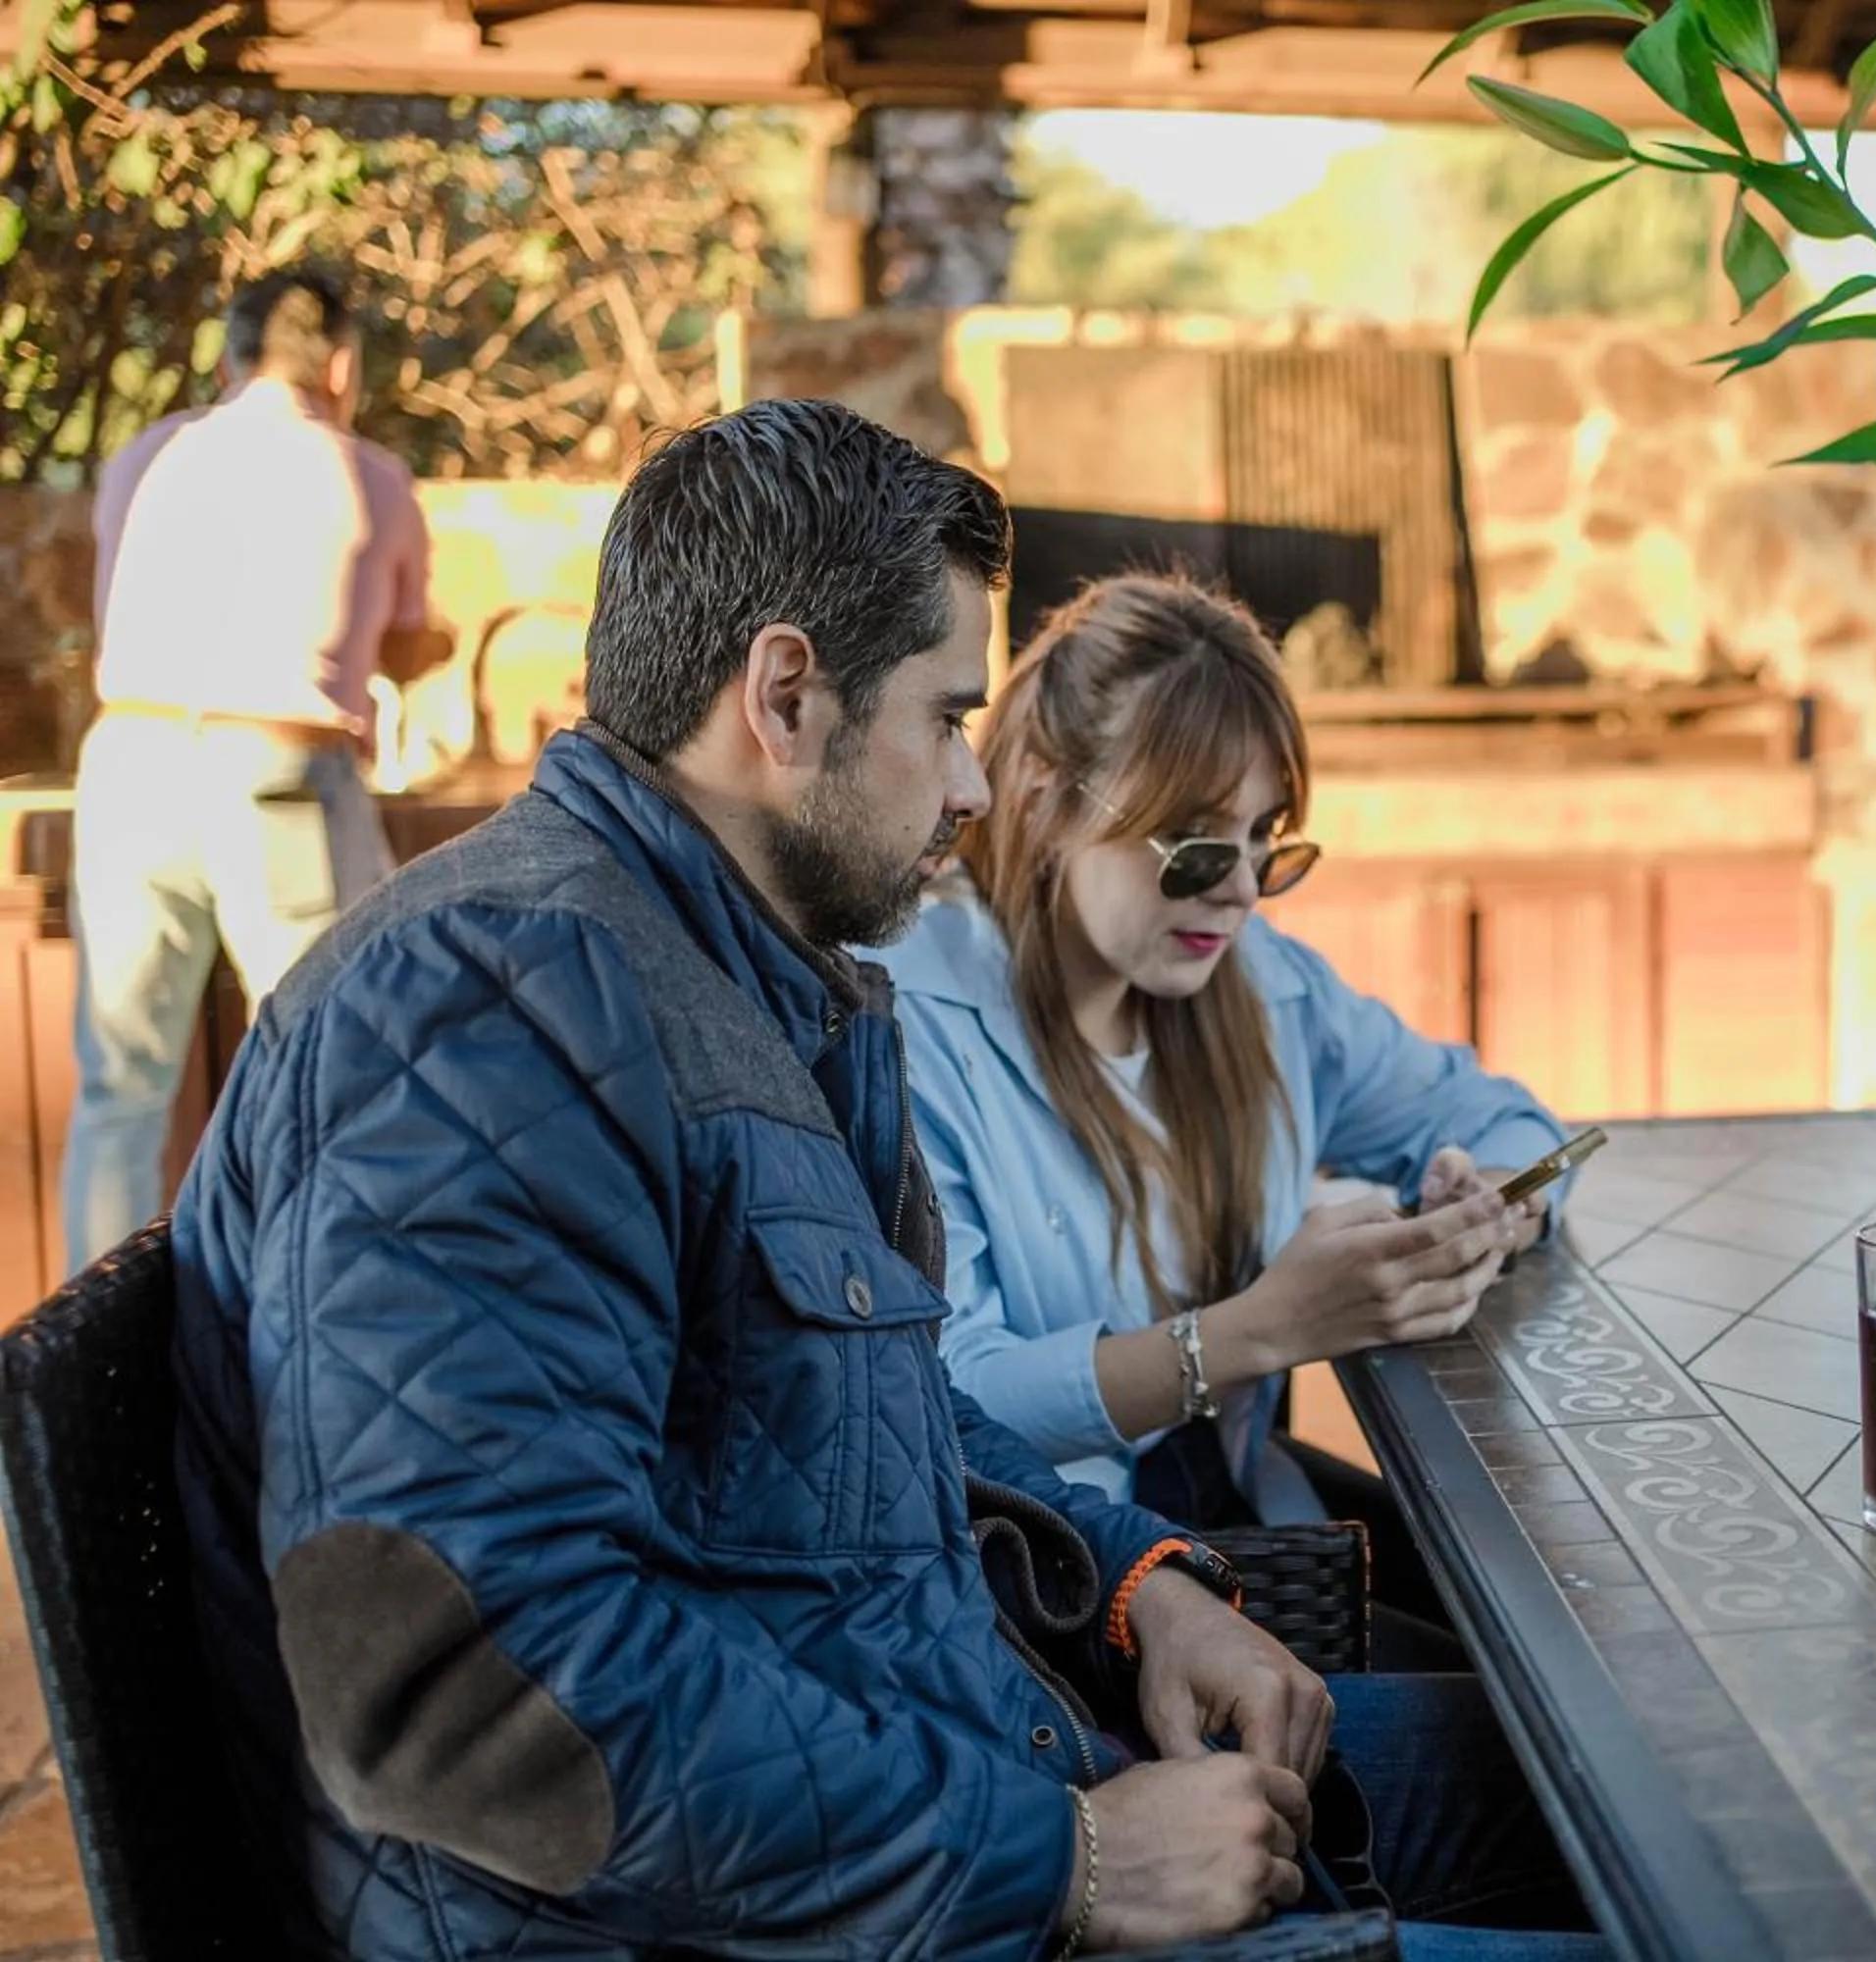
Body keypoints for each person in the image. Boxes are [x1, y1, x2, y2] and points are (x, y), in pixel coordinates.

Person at [171, 400, 1604, 1960]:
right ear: (786, 696)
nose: (978, 788)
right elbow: (465, 1693)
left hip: (970, 1762)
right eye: (944, 716)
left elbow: (884, 1425)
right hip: (826, 1904)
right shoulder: (487, 1012)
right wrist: (1063, 1863)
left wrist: (1138, 1592)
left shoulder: (737, 983)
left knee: (1604, 1785)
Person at [878, 575, 1567, 1575]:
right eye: (1199, 843)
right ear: (1048, 793)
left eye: (1266, 841)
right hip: (1051, 1595)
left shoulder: (1260, 985)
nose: (1243, 890)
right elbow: (955, 1403)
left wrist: (1494, 1205)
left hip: (1250, 1540)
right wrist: (1256, 1332)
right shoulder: (915, 1022)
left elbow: (1501, 1115)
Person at [61, 263, 447, 1274]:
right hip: (277, 768)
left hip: (133, 759)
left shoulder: (145, 456)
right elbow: (398, 646)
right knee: (329, 1071)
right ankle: (316, 1320)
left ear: (228, 359)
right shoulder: (366, 475)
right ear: (341, 363)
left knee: (120, 1085)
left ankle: (79, 1373)